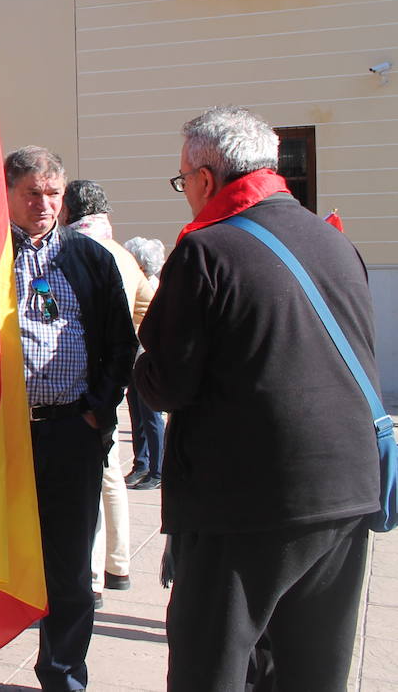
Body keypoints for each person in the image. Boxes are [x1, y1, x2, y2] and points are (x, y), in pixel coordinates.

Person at [134, 107, 380, 691]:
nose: (185, 195)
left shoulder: (207, 251)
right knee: (312, 672)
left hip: (243, 498)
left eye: (183, 181)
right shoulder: (334, 240)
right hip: (345, 489)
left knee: (209, 667)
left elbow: (169, 382)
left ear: (207, 177)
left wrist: (138, 362)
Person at [0, 146, 137, 692]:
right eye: (32, 194)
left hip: (68, 432)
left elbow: (121, 343)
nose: (44, 204)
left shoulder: (90, 258)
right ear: (7, 194)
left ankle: (63, 674)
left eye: (53, 194)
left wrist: (97, 409)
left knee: (68, 568)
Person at [63, 179, 154, 605]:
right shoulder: (124, 255)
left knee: (90, 478)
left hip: (85, 379)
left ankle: (93, 576)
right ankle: (118, 565)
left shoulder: (72, 253)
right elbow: (146, 307)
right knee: (111, 473)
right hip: (117, 373)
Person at [121, 236, 166, 489]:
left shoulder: (151, 286)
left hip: (146, 358)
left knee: (151, 417)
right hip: (135, 359)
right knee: (137, 414)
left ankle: (157, 472)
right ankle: (142, 464)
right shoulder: (141, 282)